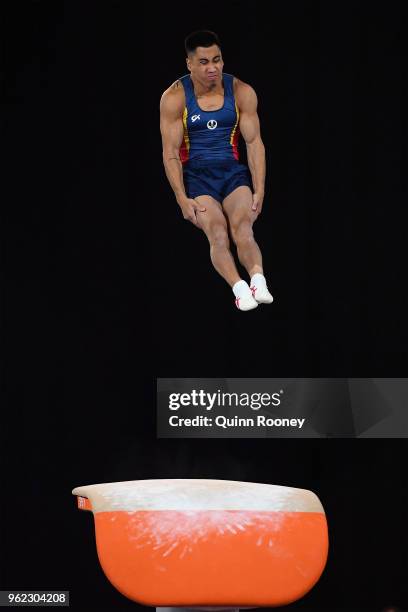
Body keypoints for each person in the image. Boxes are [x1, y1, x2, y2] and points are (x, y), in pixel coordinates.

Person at [160, 29, 273, 311]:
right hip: (197, 178)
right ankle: (239, 288)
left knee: (243, 229)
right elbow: (171, 154)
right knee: (218, 234)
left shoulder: (241, 92)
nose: (212, 68)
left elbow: (254, 143)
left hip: (232, 174)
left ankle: (258, 279)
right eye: (203, 62)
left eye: (217, 60)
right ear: (189, 64)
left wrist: (259, 188)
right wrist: (180, 197)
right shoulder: (175, 98)